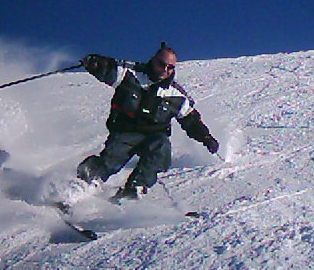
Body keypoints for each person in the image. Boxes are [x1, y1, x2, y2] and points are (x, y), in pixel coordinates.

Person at [75, 42, 219, 201]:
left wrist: (206, 138)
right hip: (125, 130)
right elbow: (109, 68)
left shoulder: (176, 95)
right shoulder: (130, 75)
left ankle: (134, 189)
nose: (165, 70)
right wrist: (96, 64)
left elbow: (191, 121)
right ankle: (82, 184)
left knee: (161, 150)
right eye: (161, 64)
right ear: (153, 60)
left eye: (170, 67)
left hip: (153, 136)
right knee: (112, 158)